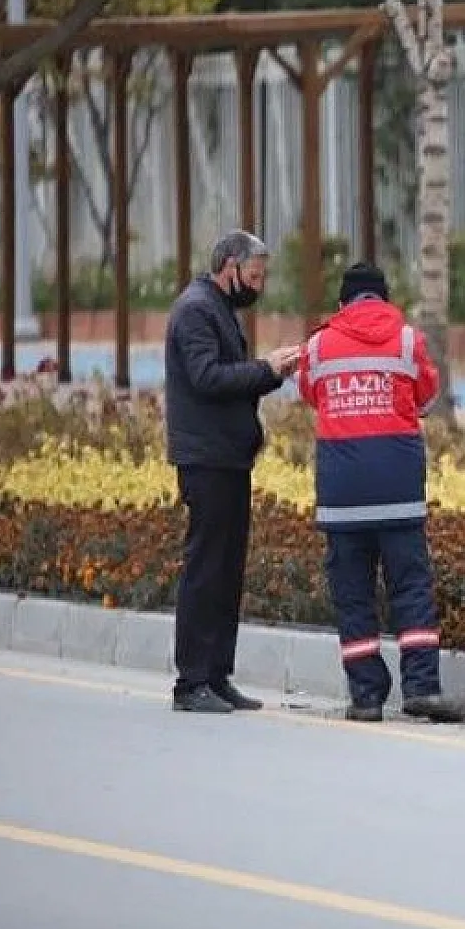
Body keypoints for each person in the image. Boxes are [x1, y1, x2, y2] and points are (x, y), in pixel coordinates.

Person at [295, 261, 465, 724]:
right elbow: (427, 400)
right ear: (385, 298)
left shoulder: (318, 345)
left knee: (353, 594)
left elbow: (309, 394)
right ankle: (422, 690)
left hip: (342, 493)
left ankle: (366, 697)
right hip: (398, 489)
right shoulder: (409, 339)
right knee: (410, 587)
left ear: (342, 303)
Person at [163, 229, 301, 714]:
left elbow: (228, 379)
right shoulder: (196, 310)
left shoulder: (221, 310)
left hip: (228, 456)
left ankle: (217, 674)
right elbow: (207, 378)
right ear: (230, 268)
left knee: (228, 569)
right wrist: (266, 369)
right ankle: (191, 681)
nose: (259, 286)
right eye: (255, 276)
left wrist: (270, 372)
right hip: (206, 459)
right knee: (206, 568)